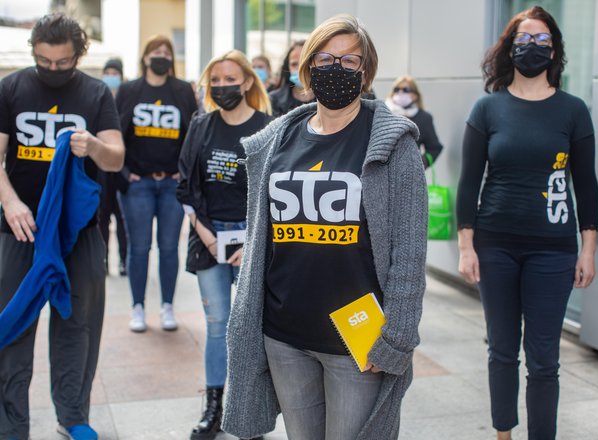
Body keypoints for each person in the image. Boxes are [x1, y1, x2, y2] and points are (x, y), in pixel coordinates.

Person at [222, 14, 428, 440]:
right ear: (307, 67)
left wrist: (397, 335)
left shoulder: (392, 142)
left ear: (365, 72)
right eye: (325, 59)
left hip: (358, 340)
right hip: (284, 333)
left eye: (349, 62)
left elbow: (410, 250)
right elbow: (265, 233)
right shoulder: (277, 139)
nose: (336, 69)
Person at [456, 6, 598, 440]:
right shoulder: (487, 109)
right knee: (501, 351)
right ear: (509, 47)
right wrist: (467, 246)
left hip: (553, 250)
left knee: (544, 359)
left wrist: (587, 250)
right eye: (524, 39)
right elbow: (468, 183)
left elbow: (586, 186)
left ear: (554, 50)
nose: (532, 48)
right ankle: (503, 435)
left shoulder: (572, 111)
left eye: (541, 41)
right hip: (495, 246)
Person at [0, 13, 124, 440]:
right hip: (19, 230)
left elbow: (117, 157)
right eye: (44, 61)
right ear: (34, 51)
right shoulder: (11, 88)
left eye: (62, 62)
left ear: (79, 55)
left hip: (80, 232)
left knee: (78, 325)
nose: (53, 70)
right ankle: (10, 424)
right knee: (13, 324)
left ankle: (72, 416)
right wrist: (11, 201)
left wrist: (93, 145)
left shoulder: (95, 93)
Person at [177, 50, 272, 440]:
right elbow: (184, 186)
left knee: (251, 328)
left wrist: (251, 239)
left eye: (229, 80)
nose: (222, 87)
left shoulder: (270, 128)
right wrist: (204, 230)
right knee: (217, 325)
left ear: (247, 82)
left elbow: (275, 192)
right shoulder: (201, 126)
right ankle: (214, 407)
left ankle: (249, 410)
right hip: (209, 237)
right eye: (215, 81)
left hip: (254, 238)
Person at [115, 35, 197, 333]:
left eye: (166, 51)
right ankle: (137, 307)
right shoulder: (129, 90)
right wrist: (124, 173)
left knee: (168, 247)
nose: (161, 55)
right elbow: (115, 133)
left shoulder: (182, 91)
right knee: (139, 247)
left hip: (171, 186)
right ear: (146, 57)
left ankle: (167, 307)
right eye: (156, 50)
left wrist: (182, 172)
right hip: (138, 184)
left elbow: (192, 135)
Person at [98, 58, 128, 276]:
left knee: (123, 221)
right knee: (102, 219)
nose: (110, 76)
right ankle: (104, 259)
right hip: (102, 173)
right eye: (107, 72)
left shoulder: (126, 99)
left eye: (114, 72)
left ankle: (124, 261)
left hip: (123, 172)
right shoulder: (99, 98)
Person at [385, 75, 443, 168]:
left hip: (409, 175)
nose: (400, 92)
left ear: (415, 95)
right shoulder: (383, 113)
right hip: (382, 173)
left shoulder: (424, 118)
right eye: (397, 89)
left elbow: (435, 148)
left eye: (406, 90)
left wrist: (419, 164)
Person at [268, 40, 315, 116]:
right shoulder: (273, 100)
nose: (300, 69)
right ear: (288, 67)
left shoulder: (327, 99)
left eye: (304, 62)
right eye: (294, 64)